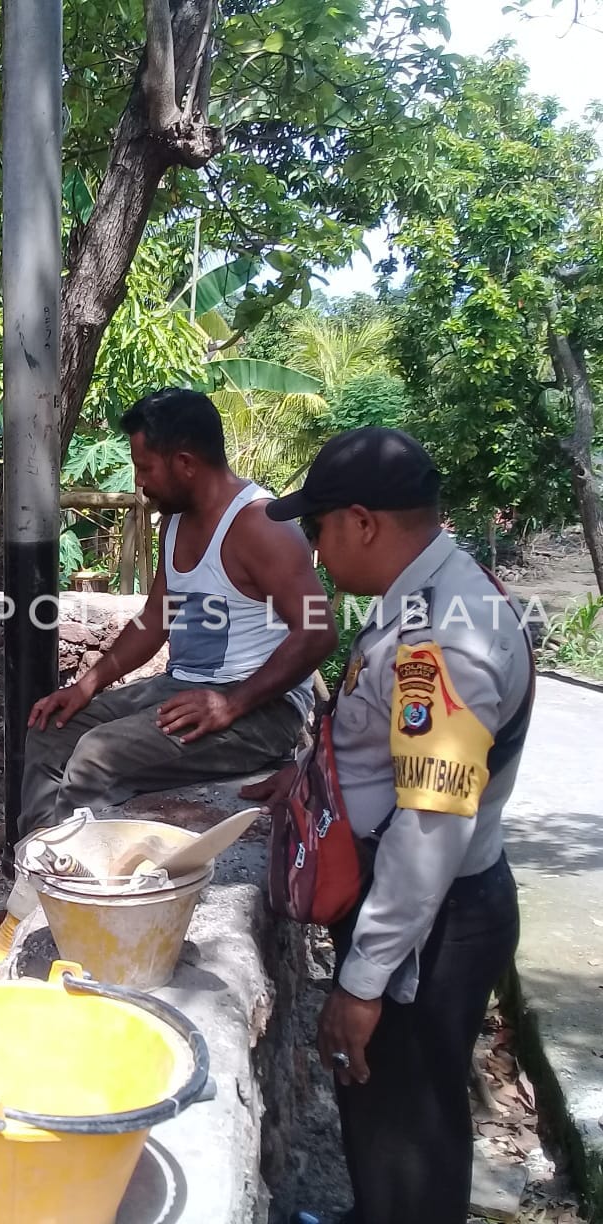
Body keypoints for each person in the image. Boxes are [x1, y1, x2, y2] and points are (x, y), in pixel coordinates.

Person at [242, 427, 533, 1224]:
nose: (317, 557)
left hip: (427, 922)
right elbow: (380, 747)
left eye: (319, 531)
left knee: (408, 1116)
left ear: (362, 522)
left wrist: (365, 981)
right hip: (416, 911)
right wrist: (305, 784)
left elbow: (429, 826)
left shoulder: (446, 634)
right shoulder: (422, 599)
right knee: (387, 1108)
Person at [0, 387, 339, 980]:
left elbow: (317, 632)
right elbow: (154, 621)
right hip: (187, 689)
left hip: (260, 714)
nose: (140, 482)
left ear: (185, 462)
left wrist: (232, 702)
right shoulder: (178, 524)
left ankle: (49, 916)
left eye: (145, 467)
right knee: (54, 729)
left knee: (97, 756)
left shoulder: (259, 526)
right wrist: (85, 686)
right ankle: (35, 897)